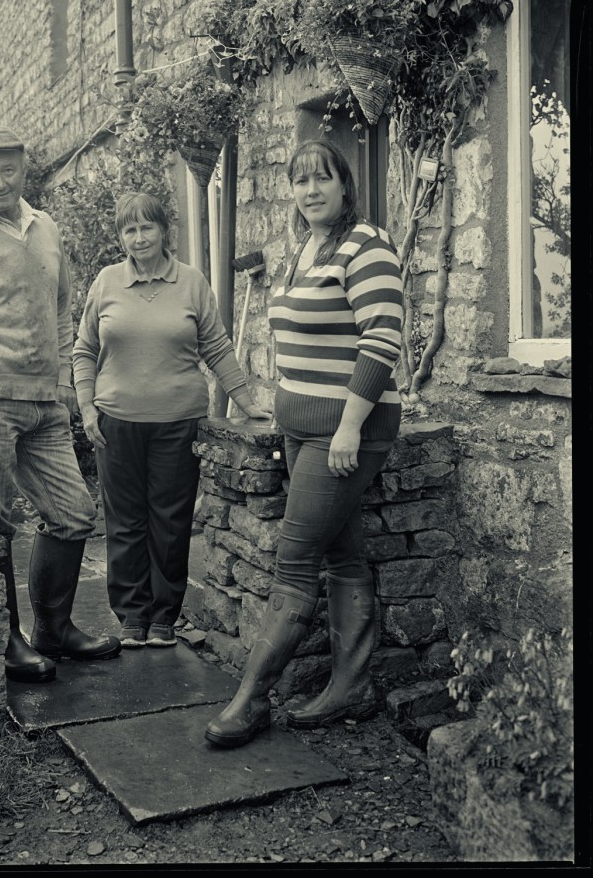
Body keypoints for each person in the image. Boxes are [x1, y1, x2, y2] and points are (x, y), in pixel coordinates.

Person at [204, 138, 403, 747]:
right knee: (341, 555)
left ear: (345, 184)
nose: (309, 190)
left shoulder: (367, 245)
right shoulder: (305, 250)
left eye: (321, 179)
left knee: (292, 566)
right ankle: (352, 688)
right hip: (298, 430)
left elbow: (382, 339)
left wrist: (347, 426)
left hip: (346, 433)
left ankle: (250, 701)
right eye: (299, 181)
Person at [0, 124, 121, 684]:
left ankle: (53, 631)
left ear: (24, 168)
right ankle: (9, 640)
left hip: (43, 404)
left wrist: (62, 379)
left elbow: (61, 309)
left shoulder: (46, 228)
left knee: (75, 514)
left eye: (7, 169)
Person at [73, 191, 271, 650]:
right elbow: (84, 350)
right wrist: (87, 407)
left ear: (164, 230)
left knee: (170, 521)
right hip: (115, 421)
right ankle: (130, 617)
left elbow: (217, 347)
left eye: (147, 227)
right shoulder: (106, 282)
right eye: (129, 229)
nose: (138, 238)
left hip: (178, 421)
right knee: (124, 522)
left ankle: (164, 617)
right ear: (120, 236)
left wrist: (244, 401)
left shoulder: (190, 282)